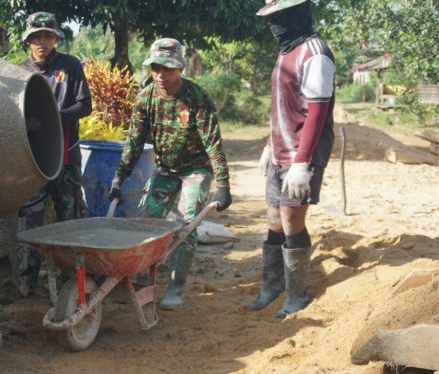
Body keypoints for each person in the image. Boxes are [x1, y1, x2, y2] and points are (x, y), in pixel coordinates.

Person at [109, 38, 232, 310]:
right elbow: (134, 142)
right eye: (156, 68)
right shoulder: (146, 98)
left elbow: (213, 144)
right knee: (146, 223)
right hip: (165, 169)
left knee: (186, 226)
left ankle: (175, 289)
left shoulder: (197, 98)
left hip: (195, 170)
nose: (161, 75)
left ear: (180, 68)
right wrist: (119, 177)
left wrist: (223, 184)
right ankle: (140, 284)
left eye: (168, 69)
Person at [246, 0, 335, 318]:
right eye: (271, 17)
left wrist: (301, 163)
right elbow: (282, 104)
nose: (275, 24)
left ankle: (296, 295)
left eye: (280, 16)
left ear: (297, 13)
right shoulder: (286, 49)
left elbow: (316, 112)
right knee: (273, 221)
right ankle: (272, 287)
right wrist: (270, 145)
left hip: (302, 156)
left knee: (291, 221)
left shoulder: (315, 53)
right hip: (280, 151)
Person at [17, 11, 92, 297]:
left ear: (56, 38)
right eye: (36, 36)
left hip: (66, 159)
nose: (42, 42)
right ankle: (27, 279)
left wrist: (55, 116)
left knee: (69, 220)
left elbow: (85, 106)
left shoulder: (70, 66)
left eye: (48, 36)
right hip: (32, 163)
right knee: (31, 221)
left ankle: (70, 277)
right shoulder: (19, 73)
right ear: (28, 40)